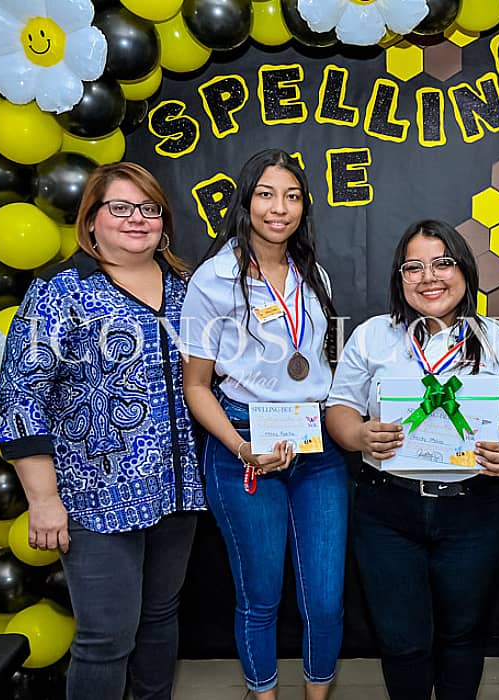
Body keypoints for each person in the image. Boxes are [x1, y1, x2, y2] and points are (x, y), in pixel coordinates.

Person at [0, 162, 204, 700]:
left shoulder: (186, 289)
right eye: (121, 207)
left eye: (150, 209)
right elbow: (20, 399)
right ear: (91, 220)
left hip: (176, 491)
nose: (138, 219)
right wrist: (42, 500)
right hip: (94, 498)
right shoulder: (59, 293)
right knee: (106, 638)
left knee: (160, 621)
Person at [326, 220, 499, 700]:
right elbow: (339, 407)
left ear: (464, 270)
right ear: (399, 278)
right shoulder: (373, 336)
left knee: (463, 635)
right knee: (402, 641)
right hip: (388, 511)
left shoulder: (498, 339)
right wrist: (359, 433)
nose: (430, 277)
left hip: (475, 509)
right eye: (414, 267)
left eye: (443, 263)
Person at [180, 149, 347, 700]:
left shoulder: (312, 273)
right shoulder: (215, 278)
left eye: (293, 196)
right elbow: (196, 385)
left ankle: (317, 694)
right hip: (242, 442)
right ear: (246, 201)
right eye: (267, 195)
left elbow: (319, 362)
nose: (280, 208)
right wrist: (240, 445)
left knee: (323, 596)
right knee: (260, 596)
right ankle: (264, 694)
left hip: (315, 446)